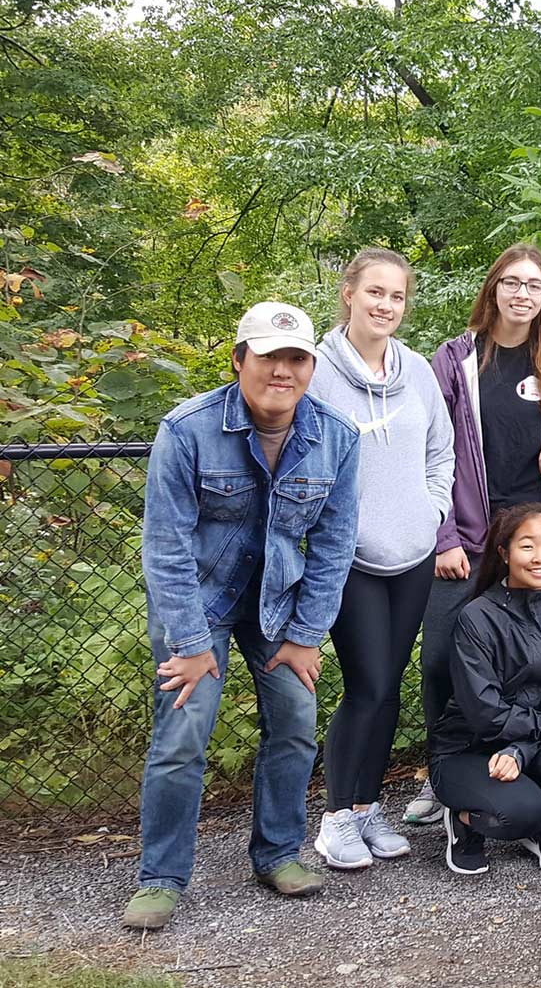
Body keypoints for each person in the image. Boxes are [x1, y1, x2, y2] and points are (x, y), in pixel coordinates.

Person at [124, 302, 360, 931]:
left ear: (310, 367)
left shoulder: (336, 437)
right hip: (195, 606)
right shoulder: (187, 430)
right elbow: (165, 547)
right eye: (269, 357)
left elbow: (336, 545)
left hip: (279, 606)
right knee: (182, 736)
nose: (282, 371)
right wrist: (193, 642)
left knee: (296, 724)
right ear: (239, 361)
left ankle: (278, 854)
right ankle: (161, 878)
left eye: (296, 359)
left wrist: (308, 635)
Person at [406, 243, 541, 825]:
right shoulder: (455, 359)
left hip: (530, 539)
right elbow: (426, 449)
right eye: (512, 282)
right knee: (443, 661)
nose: (523, 294)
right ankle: (441, 772)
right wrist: (444, 536)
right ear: (493, 288)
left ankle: (519, 760)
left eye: (535, 285)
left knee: (532, 662)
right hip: (469, 539)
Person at [306, 249, 455, 869]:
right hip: (351, 559)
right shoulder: (316, 371)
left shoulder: (417, 369)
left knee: (389, 687)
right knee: (366, 685)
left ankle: (368, 811)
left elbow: (441, 450)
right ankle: (337, 816)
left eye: (396, 296)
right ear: (349, 294)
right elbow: (300, 459)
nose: (385, 305)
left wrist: (432, 511)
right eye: (374, 292)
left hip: (414, 553)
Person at [429, 503, 541, 876]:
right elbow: (485, 713)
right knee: (518, 813)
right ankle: (463, 821)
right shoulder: (477, 616)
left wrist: (519, 752)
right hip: (466, 748)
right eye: (527, 546)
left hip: (524, 746)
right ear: (504, 553)